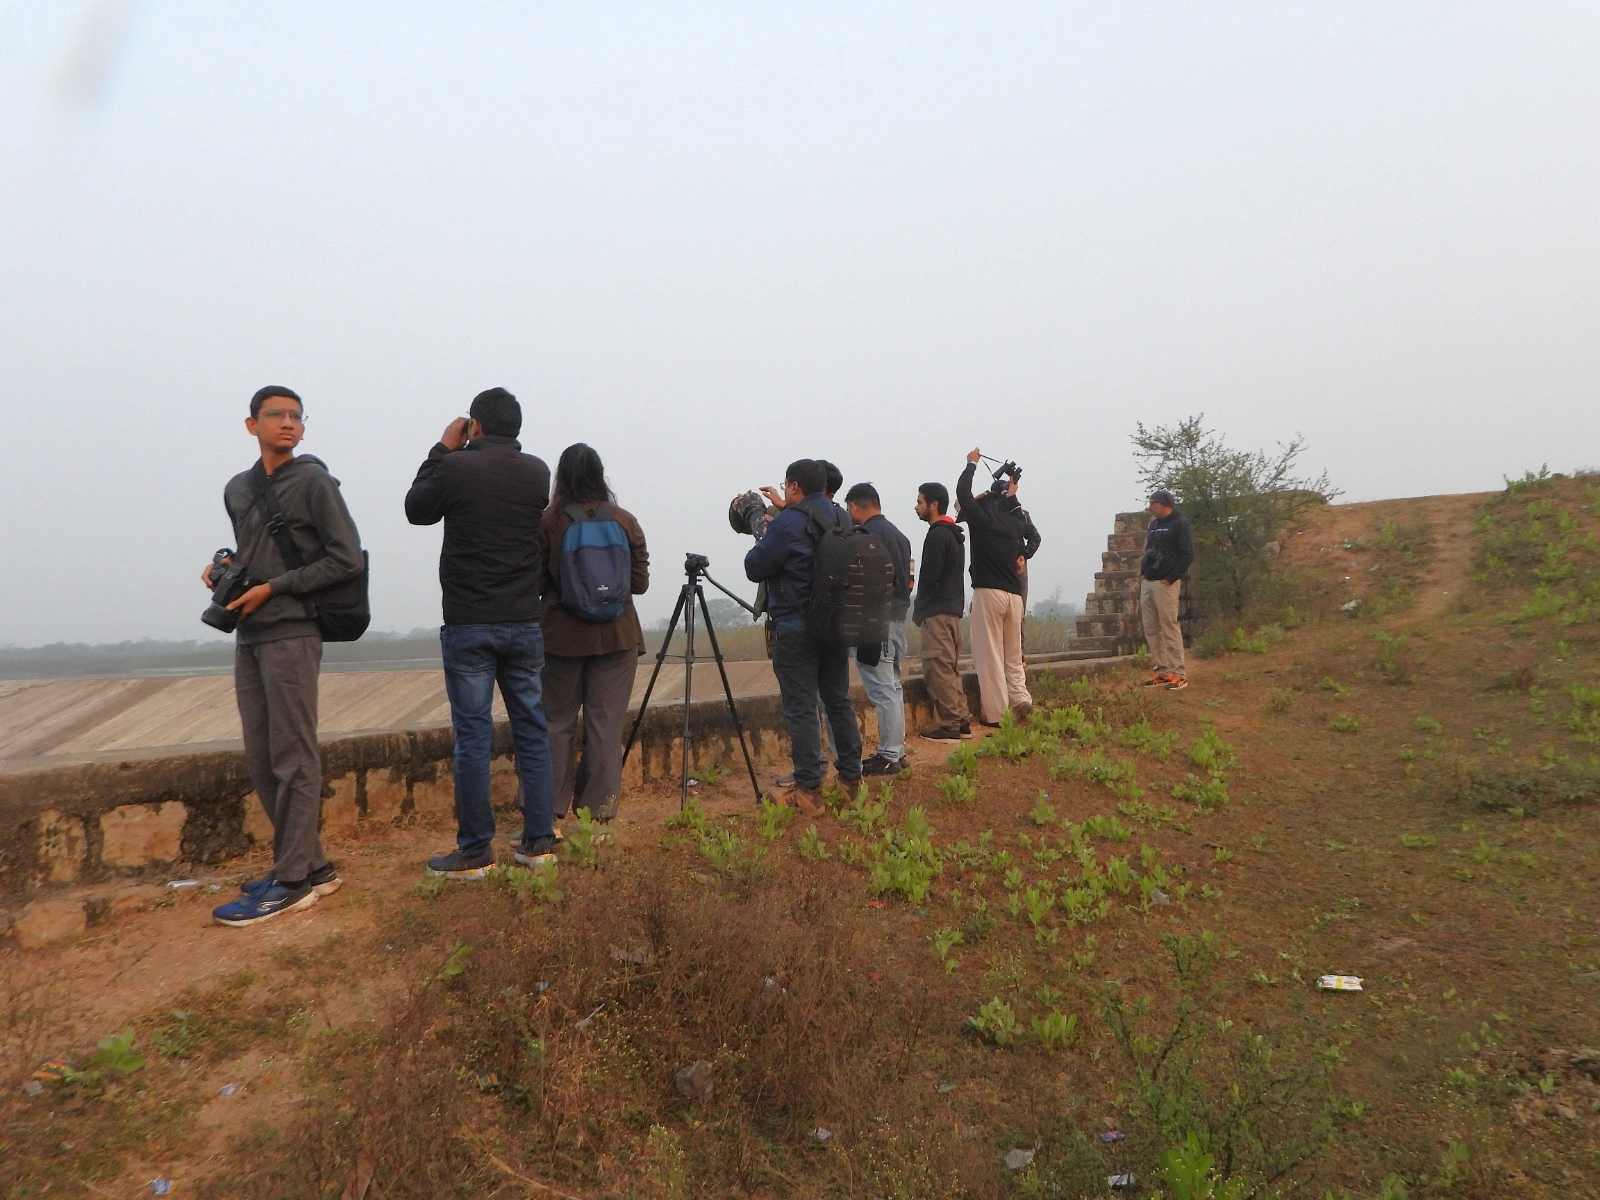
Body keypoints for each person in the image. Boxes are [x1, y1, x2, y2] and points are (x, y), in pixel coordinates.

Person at [207, 386, 365, 928]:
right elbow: (255, 552)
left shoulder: (314, 482)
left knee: (293, 756)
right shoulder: (238, 488)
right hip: (249, 633)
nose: (288, 422)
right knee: (261, 755)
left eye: (296, 415)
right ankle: (313, 866)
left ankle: (292, 880)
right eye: (275, 414)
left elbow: (346, 557)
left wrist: (276, 587)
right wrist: (224, 568)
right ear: (251, 424)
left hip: (294, 630)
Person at [404, 387, 559, 878]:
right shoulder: (537, 472)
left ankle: (474, 852)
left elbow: (417, 509)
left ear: (475, 425)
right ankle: (539, 843)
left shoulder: (455, 467)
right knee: (532, 732)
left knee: (473, 737)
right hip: (524, 620)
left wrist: (442, 447)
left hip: (469, 620)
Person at [741, 458, 864, 815]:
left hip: (795, 628)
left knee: (801, 707)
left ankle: (809, 790)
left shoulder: (788, 522)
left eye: (786, 485)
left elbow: (755, 567)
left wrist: (763, 533)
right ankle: (851, 781)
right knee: (838, 700)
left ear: (794, 486)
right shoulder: (842, 518)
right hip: (835, 625)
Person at [538, 443, 650, 825]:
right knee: (605, 728)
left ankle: (547, 814)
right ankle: (598, 817)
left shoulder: (548, 523)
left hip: (560, 640)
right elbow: (640, 584)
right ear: (600, 475)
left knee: (556, 725)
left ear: (562, 478)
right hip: (618, 637)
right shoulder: (625, 521)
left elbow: (536, 583)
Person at [957, 448, 1032, 726]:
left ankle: (997, 715)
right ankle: (1021, 699)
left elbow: (963, 494)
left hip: (989, 592)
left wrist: (971, 464)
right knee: (1012, 656)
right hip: (1014, 597)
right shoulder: (1014, 524)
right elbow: (1026, 525)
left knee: (989, 657)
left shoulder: (982, 521)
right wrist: (1013, 491)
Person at [843, 482, 912, 775]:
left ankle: (890, 754)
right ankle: (897, 750)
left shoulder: (866, 537)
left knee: (883, 689)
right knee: (893, 686)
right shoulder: (900, 537)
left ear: (854, 506)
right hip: (897, 618)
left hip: (875, 622)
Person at [912, 481, 972, 742]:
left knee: (938, 668)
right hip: (952, 610)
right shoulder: (953, 535)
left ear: (933, 504)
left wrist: (919, 610)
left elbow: (929, 578)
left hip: (937, 612)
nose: (916, 507)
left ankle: (950, 726)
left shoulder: (937, 535)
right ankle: (961, 720)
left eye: (920, 502)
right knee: (949, 668)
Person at [1139, 488, 1195, 691]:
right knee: (1151, 628)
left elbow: (1187, 554)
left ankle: (1179, 673)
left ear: (1163, 504)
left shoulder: (1179, 523)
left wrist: (1171, 577)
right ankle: (1162, 672)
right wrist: (1143, 574)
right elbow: (1149, 550)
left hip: (1166, 583)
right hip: (1148, 582)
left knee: (1169, 626)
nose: (1149, 507)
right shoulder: (1154, 524)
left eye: (1152, 503)